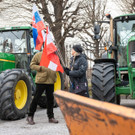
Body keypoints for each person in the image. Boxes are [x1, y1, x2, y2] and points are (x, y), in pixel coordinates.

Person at [26, 51, 58, 125]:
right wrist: (41, 68)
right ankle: (30, 116)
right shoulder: (38, 55)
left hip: (51, 80)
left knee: (50, 99)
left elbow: (56, 65)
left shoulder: (54, 56)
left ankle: (51, 117)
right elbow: (32, 65)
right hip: (41, 80)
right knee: (36, 98)